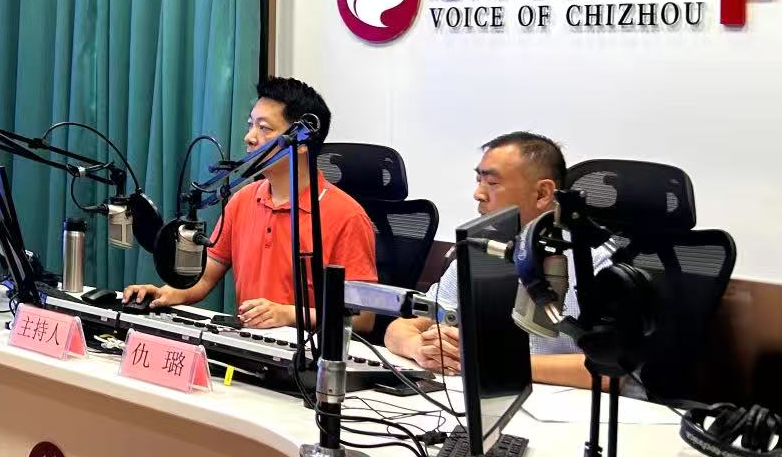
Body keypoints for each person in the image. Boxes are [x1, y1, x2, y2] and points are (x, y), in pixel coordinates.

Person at [122, 77, 377, 328]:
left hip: (307, 349)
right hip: (249, 343)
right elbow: (207, 275)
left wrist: (288, 314)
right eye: (250, 125)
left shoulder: (347, 216)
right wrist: (165, 293)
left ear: (302, 142)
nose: (249, 137)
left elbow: (363, 317)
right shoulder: (243, 200)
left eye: (264, 128)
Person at [381, 132, 593, 387]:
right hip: (491, 394)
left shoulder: (593, 262)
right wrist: (419, 348)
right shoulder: (482, 249)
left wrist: (488, 360)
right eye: (478, 180)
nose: (478, 193)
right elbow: (401, 328)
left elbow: (610, 372)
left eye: (492, 182)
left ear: (542, 193)